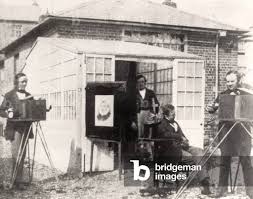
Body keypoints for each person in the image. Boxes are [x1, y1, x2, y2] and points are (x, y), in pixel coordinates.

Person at [207, 70, 253, 198]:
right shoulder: (222, 95)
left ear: (238, 81)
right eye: (227, 81)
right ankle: (221, 190)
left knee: (246, 161)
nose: (229, 84)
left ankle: (250, 191)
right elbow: (214, 108)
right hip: (226, 132)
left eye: (232, 81)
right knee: (224, 160)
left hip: (242, 133)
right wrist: (210, 108)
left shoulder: (247, 94)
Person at [155, 104, 212, 195]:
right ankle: (204, 182)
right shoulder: (162, 124)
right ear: (166, 115)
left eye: (175, 113)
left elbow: (182, 135)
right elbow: (165, 135)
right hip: (171, 150)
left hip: (182, 146)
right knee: (193, 157)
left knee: (199, 151)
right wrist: (180, 137)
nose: (174, 115)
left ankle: (205, 182)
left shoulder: (175, 123)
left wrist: (185, 140)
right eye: (172, 114)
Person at [0, 72, 33, 190]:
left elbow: (33, 109)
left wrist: (45, 109)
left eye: (26, 81)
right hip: (14, 128)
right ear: (17, 82)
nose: (25, 84)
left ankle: (18, 180)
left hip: (25, 128)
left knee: (22, 154)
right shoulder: (9, 95)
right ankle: (16, 181)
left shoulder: (29, 95)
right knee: (16, 154)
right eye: (22, 81)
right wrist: (8, 114)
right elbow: (1, 110)